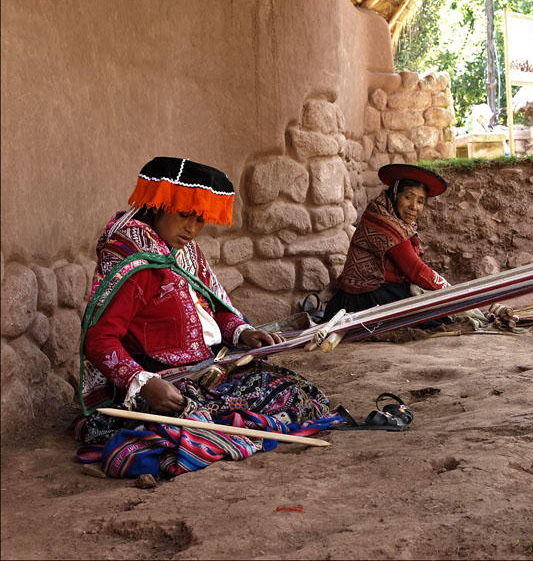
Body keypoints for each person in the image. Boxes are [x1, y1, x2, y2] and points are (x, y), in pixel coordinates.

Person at [75, 157, 339, 478]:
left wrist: (242, 333)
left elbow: (213, 307)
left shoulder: (184, 251)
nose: (193, 228)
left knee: (297, 394)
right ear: (158, 205)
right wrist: (144, 384)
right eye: (185, 215)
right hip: (164, 382)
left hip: (208, 368)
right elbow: (99, 340)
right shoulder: (135, 263)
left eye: (200, 219)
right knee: (194, 429)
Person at [321, 164, 451, 322]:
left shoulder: (396, 220)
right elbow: (415, 270)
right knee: (435, 314)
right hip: (361, 301)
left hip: (380, 292)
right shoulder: (385, 224)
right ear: (395, 195)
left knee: (433, 306)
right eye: (408, 197)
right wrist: (453, 292)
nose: (414, 207)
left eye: (420, 201)